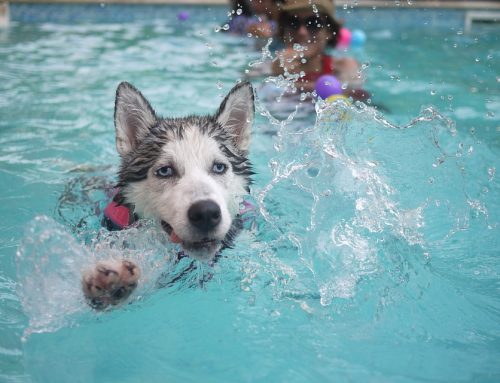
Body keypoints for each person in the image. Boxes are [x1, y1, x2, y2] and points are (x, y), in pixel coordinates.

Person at [272, 0, 367, 100]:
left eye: (313, 23)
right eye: (293, 22)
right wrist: (276, 74)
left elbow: (355, 96)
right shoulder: (271, 68)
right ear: (284, 31)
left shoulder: (343, 67)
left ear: (329, 32)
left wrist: (286, 86)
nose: (302, 32)